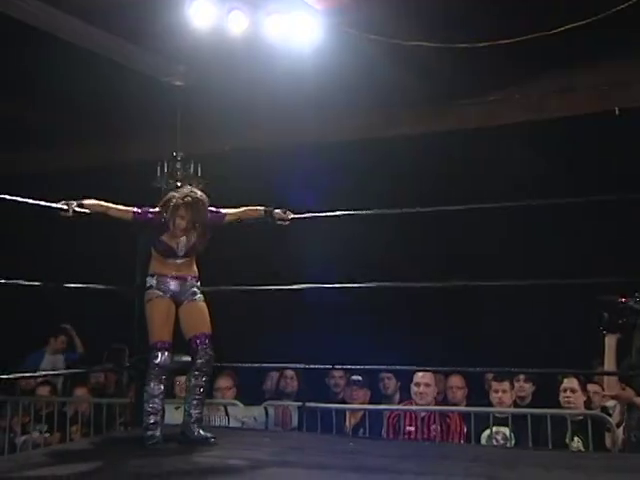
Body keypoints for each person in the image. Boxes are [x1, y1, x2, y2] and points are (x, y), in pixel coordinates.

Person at [62, 186, 292, 446]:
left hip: (190, 286)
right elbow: (111, 209)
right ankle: (152, 428)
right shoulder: (155, 218)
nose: (182, 225)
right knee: (160, 357)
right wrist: (78, 204)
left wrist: (271, 213)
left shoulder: (205, 220)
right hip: (160, 285)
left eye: (189, 221)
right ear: (171, 212)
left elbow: (240, 213)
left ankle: (192, 425)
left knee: (204, 354)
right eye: (180, 218)